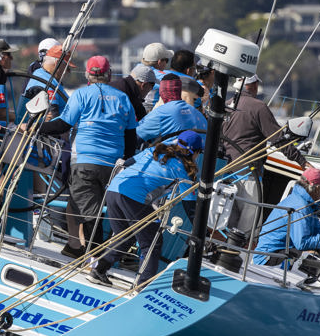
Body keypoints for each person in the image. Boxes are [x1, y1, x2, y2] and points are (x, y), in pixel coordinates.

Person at [40, 55, 138, 258]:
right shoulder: (123, 98)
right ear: (109, 74)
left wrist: (35, 127)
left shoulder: (81, 94)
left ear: (87, 74)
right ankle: (78, 248)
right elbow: (131, 137)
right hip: (114, 164)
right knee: (90, 208)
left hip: (85, 161)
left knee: (89, 213)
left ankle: (95, 258)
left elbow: (62, 125)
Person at [90, 130, 203, 287]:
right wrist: (203, 232)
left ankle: (99, 270)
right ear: (195, 152)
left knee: (125, 236)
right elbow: (190, 206)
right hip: (133, 197)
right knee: (152, 243)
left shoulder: (154, 150)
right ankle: (142, 285)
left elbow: (128, 162)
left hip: (114, 189)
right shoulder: (182, 170)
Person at [223, 74, 308, 236]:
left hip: (226, 173)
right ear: (253, 85)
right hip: (249, 175)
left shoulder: (227, 106)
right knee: (248, 228)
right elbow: (278, 139)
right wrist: (302, 162)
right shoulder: (258, 107)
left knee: (226, 222)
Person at [253, 167, 320, 266]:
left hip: (275, 253)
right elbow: (302, 243)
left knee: (314, 254)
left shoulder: (302, 201)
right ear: (317, 187)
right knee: (307, 255)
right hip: (269, 257)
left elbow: (316, 232)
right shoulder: (301, 207)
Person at [136, 73, 207, 144]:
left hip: (170, 153)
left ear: (162, 92)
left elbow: (135, 136)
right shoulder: (199, 115)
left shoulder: (162, 112)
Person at [19, 42, 72, 120]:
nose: (68, 71)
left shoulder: (40, 73)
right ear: (57, 63)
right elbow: (53, 118)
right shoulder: (47, 83)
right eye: (67, 67)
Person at [142, 42, 174, 109]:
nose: (166, 64)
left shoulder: (135, 70)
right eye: (166, 60)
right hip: (152, 112)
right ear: (159, 62)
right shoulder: (166, 77)